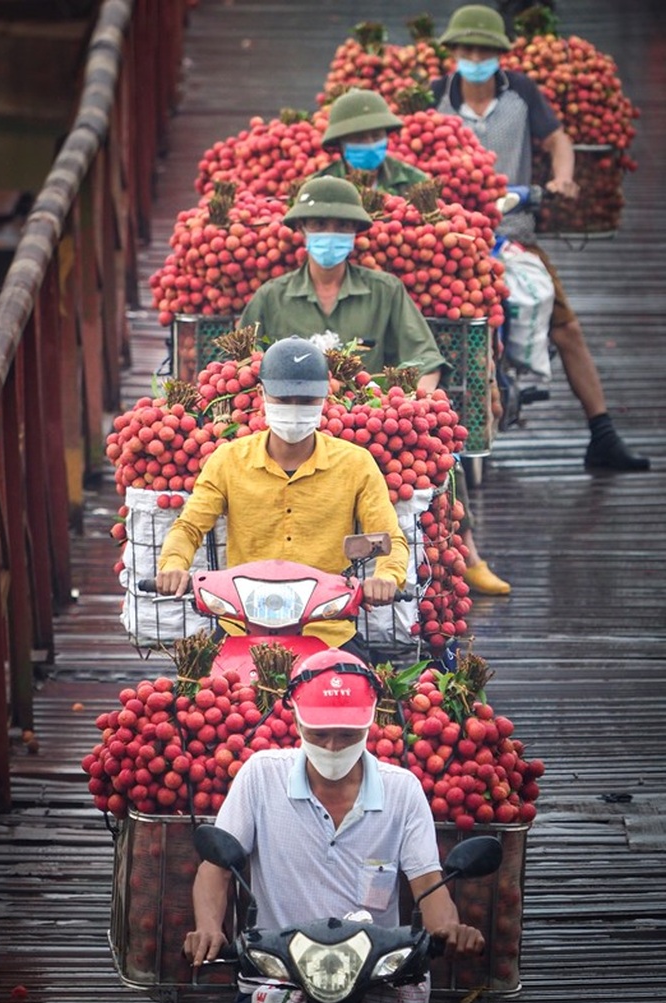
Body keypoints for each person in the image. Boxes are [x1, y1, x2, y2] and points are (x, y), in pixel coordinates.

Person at [239, 174, 512, 595]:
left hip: (371, 422)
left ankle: (468, 555)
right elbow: (240, 371)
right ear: (301, 231)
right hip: (290, 420)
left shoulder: (385, 292)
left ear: (355, 234)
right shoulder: (271, 298)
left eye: (341, 227)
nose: (330, 236)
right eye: (320, 226)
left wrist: (408, 408)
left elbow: (426, 362)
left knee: (438, 453)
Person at [183, 647, 486, 1003]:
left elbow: (428, 884)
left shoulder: (402, 790)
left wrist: (450, 930)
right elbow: (216, 867)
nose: (332, 746)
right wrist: (209, 929)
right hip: (279, 978)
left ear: (369, 724)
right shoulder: (260, 776)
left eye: (347, 734)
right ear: (296, 722)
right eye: (320, 733)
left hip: (374, 980)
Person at [432, 4, 650, 473]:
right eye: (466, 48)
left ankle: (603, 432)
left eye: (483, 49)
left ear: (499, 55)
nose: (474, 56)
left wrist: (563, 178)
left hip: (513, 234)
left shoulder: (522, 93)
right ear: (453, 52)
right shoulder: (436, 98)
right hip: (446, 240)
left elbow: (557, 142)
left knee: (566, 327)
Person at [156, 336, 408, 653]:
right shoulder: (228, 460)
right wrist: (173, 566)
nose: (294, 409)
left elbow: (390, 538)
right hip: (241, 627)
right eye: (284, 399)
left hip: (327, 629)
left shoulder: (355, 463)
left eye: (305, 401)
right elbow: (189, 528)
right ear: (261, 394)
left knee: (365, 696)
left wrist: (386, 576)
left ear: (324, 399)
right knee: (199, 698)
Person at [311, 86, 428, 196]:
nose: (370, 144)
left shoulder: (414, 181)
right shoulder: (317, 187)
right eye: (358, 138)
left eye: (376, 136)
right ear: (340, 144)